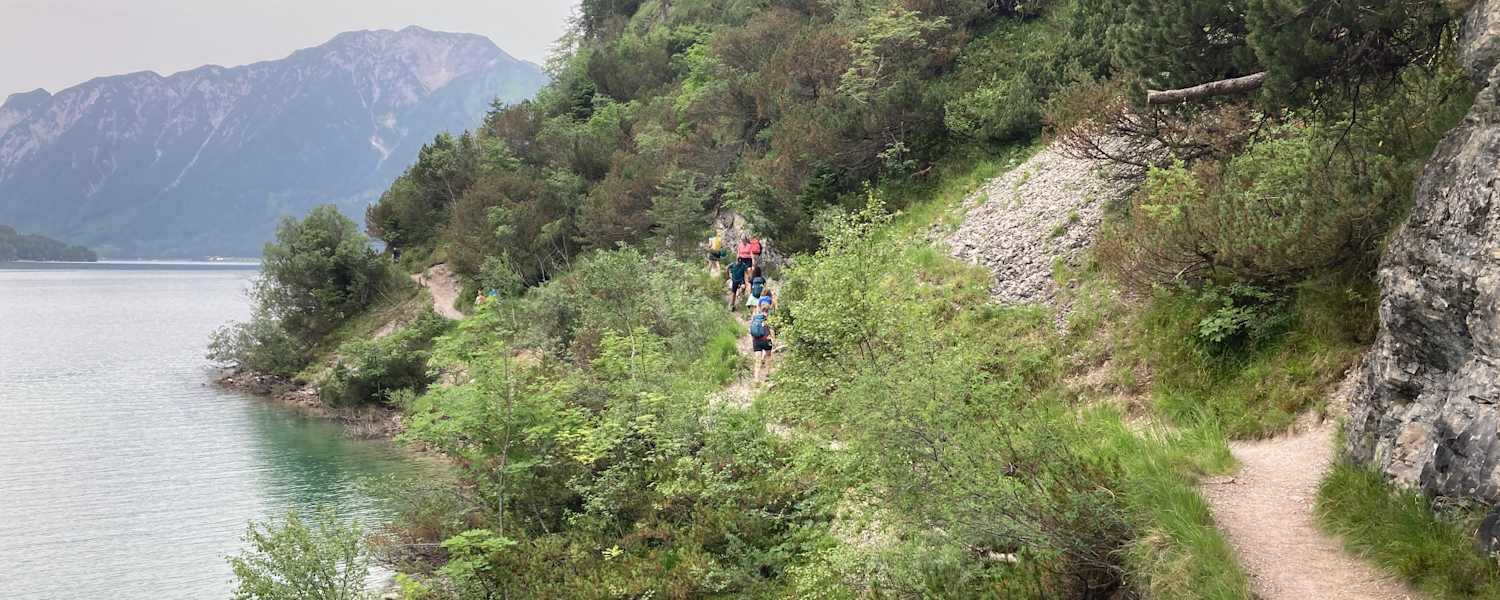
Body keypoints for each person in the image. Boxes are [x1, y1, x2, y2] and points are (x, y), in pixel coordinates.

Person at [749, 305, 774, 381]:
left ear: (760, 310)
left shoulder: (755, 318)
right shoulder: (767, 319)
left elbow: (750, 330)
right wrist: (773, 339)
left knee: (757, 360)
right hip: (766, 340)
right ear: (768, 311)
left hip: (756, 341)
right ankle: (767, 374)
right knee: (768, 356)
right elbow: (772, 330)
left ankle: (756, 379)